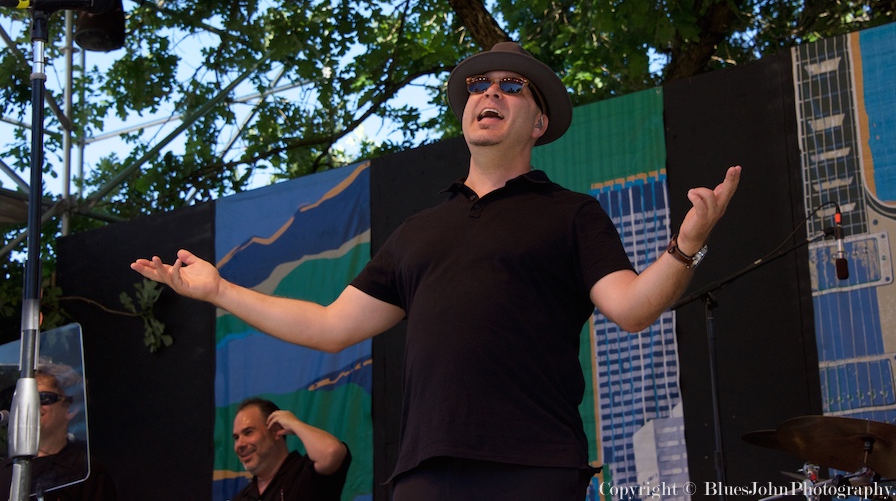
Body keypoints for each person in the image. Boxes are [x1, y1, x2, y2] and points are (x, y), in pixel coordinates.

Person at [132, 41, 741, 500]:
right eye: (479, 85)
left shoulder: (571, 215)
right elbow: (329, 326)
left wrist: (686, 245)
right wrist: (219, 290)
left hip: (535, 466)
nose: (490, 93)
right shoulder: (418, 232)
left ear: (540, 122)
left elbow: (633, 309)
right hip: (426, 474)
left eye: (512, 87)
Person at [0, 365, 117, 501]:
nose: (33, 405)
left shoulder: (87, 472)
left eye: (43, 397)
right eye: (28, 398)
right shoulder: (4, 471)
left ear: (70, 408)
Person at [229, 397, 350, 500]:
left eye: (248, 432)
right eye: (236, 437)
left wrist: (295, 424)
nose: (239, 444)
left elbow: (331, 452)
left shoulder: (304, 474)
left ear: (275, 430)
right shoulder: (242, 498)